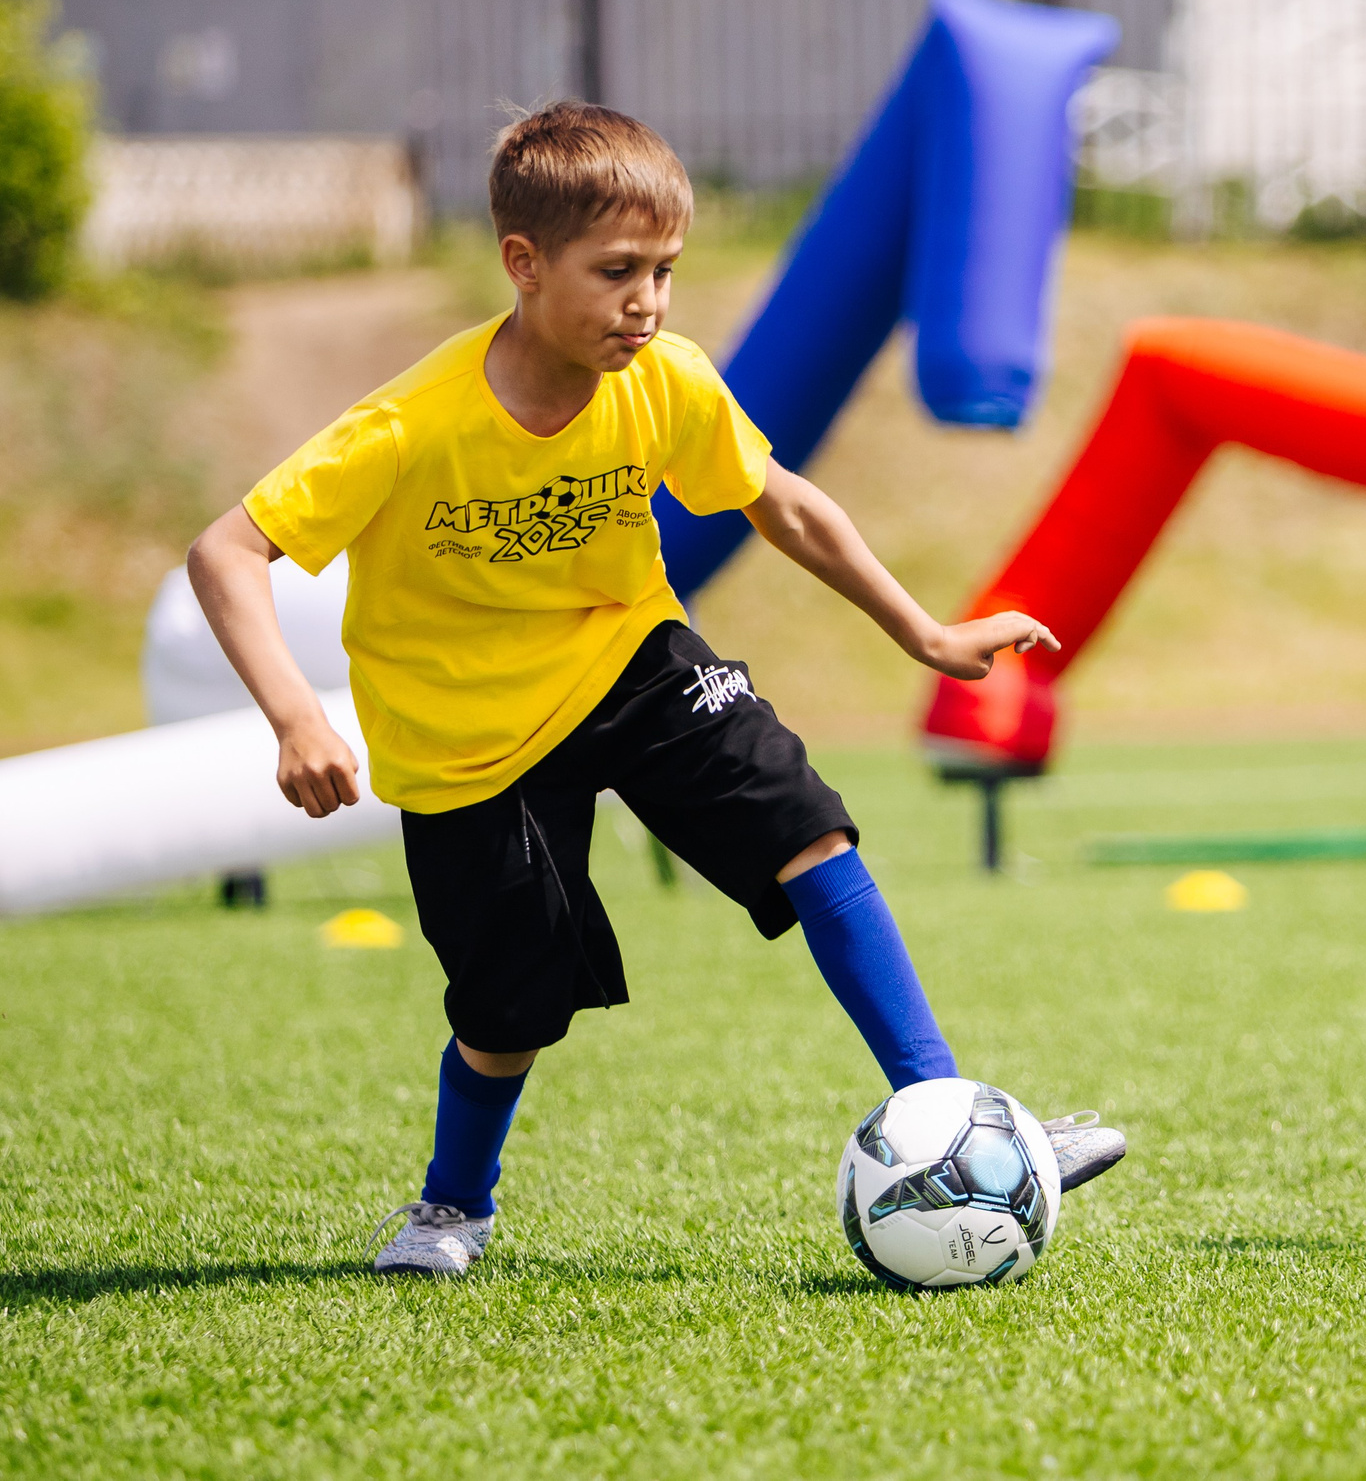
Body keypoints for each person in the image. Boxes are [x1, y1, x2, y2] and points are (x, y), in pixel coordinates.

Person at [188, 102, 1124, 1277]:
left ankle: (956, 1119)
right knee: (509, 1010)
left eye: (665, 271)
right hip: (465, 732)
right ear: (524, 263)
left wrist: (923, 631)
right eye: (617, 270)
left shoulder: (666, 379)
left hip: (630, 658)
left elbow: (781, 503)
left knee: (807, 829)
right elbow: (227, 551)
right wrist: (296, 716)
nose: (647, 301)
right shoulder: (410, 422)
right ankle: (451, 1206)